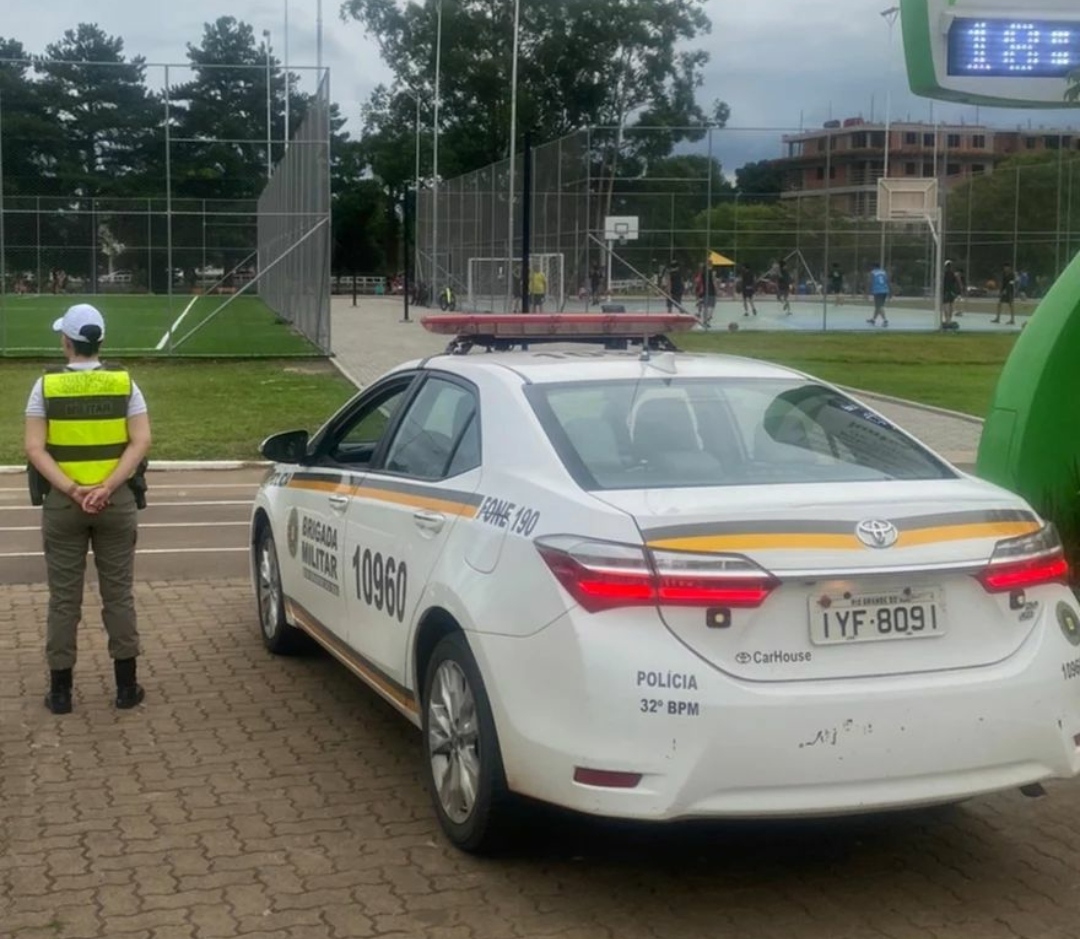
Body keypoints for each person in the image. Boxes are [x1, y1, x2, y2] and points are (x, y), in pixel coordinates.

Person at [24, 304, 152, 714]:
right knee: (119, 595)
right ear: (100, 342)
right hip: (115, 503)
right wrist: (107, 487)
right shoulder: (125, 383)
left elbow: (34, 448)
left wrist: (74, 490)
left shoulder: (45, 387)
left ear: (67, 342)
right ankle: (126, 688)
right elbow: (140, 441)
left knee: (64, 600)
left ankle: (61, 693)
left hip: (64, 504)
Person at [942, 259, 964, 328]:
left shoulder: (945, 274)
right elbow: (959, 283)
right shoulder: (953, 274)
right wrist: (960, 289)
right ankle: (949, 320)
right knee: (950, 306)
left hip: (947, 291)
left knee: (947, 306)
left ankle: (947, 320)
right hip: (950, 291)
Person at [867, 262, 890, 327]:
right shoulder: (883, 272)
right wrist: (890, 291)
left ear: (873, 267)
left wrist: (868, 291)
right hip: (885, 290)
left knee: (879, 306)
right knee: (878, 306)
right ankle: (873, 319)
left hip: (877, 290)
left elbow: (871, 282)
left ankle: (885, 320)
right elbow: (887, 281)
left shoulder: (873, 273)